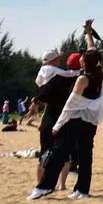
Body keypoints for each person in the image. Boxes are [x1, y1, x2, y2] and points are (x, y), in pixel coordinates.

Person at [29, 22, 103, 200]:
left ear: (85, 62)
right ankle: (82, 190)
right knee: (85, 156)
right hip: (90, 124)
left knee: (59, 152)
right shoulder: (99, 75)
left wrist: (58, 125)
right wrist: (88, 34)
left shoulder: (82, 80)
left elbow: (70, 105)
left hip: (75, 121)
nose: (79, 57)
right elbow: (93, 51)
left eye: (82, 57)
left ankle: (45, 186)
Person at [33, 47, 81, 189]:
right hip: (62, 117)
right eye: (58, 58)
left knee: (44, 153)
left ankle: (40, 183)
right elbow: (73, 73)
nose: (59, 60)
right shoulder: (60, 75)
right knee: (64, 154)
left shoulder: (43, 76)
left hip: (48, 116)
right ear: (54, 60)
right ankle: (62, 185)